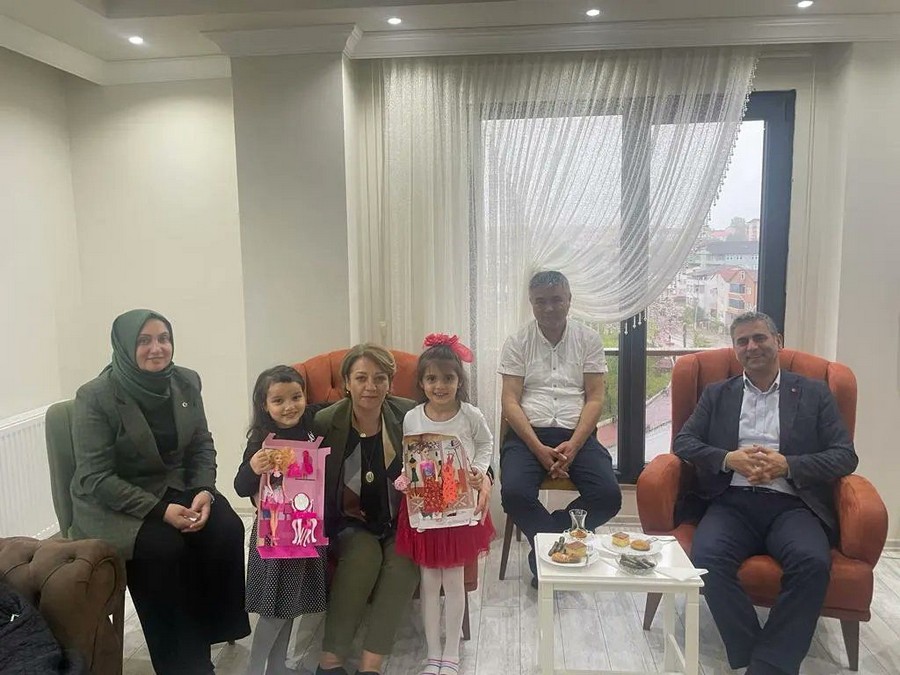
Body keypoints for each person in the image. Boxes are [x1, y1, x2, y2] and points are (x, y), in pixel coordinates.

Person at [674, 311, 858, 675]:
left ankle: (767, 666)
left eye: (759, 338)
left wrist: (788, 465)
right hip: (731, 502)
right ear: (735, 349)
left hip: (792, 503)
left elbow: (844, 455)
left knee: (812, 563)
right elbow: (684, 442)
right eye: (742, 341)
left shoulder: (814, 393)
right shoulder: (718, 394)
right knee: (706, 558)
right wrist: (728, 458)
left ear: (778, 341)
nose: (751, 347)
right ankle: (756, 654)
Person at [70, 309, 250, 675]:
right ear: (124, 346)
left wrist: (204, 489)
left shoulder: (186, 381)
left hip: (174, 485)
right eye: (144, 341)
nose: (157, 348)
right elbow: (95, 476)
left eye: (163, 338)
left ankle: (209, 630)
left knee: (225, 527)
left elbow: (201, 443)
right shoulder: (96, 396)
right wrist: (159, 510)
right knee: (164, 549)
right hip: (114, 501)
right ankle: (183, 663)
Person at [498, 270, 621, 587]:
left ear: (569, 300)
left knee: (608, 496)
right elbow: (510, 402)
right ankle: (560, 549)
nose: (549, 308)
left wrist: (575, 445)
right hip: (528, 436)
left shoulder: (588, 339)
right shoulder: (517, 342)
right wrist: (538, 449)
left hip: (577, 435)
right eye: (541, 302)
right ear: (531, 303)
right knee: (513, 493)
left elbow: (595, 398)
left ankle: (549, 545)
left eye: (556, 300)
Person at [311, 344, 420, 675]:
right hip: (348, 521)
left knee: (405, 561)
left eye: (379, 378)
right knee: (363, 557)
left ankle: (371, 664)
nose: (370, 386)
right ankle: (331, 660)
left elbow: (450, 438)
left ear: (390, 382)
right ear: (347, 382)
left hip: (397, 519)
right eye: (361, 378)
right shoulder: (325, 421)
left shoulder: (409, 415)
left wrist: (482, 473)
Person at [395, 335, 495, 675]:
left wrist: (478, 470)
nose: (440, 386)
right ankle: (432, 653)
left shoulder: (470, 415)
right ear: (422, 382)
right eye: (432, 378)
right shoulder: (412, 417)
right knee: (428, 581)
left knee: (453, 580)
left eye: (448, 378)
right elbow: (410, 456)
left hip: (459, 509)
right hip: (424, 510)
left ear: (459, 381)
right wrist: (405, 477)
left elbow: (486, 443)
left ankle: (451, 652)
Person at [233, 366, 329, 675]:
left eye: (296, 397)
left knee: (289, 605)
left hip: (305, 530)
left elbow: (337, 406)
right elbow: (240, 486)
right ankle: (254, 669)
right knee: (275, 610)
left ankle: (276, 667)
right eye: (278, 401)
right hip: (275, 535)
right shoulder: (261, 441)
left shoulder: (312, 423)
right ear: (264, 405)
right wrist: (253, 466)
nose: (289, 406)